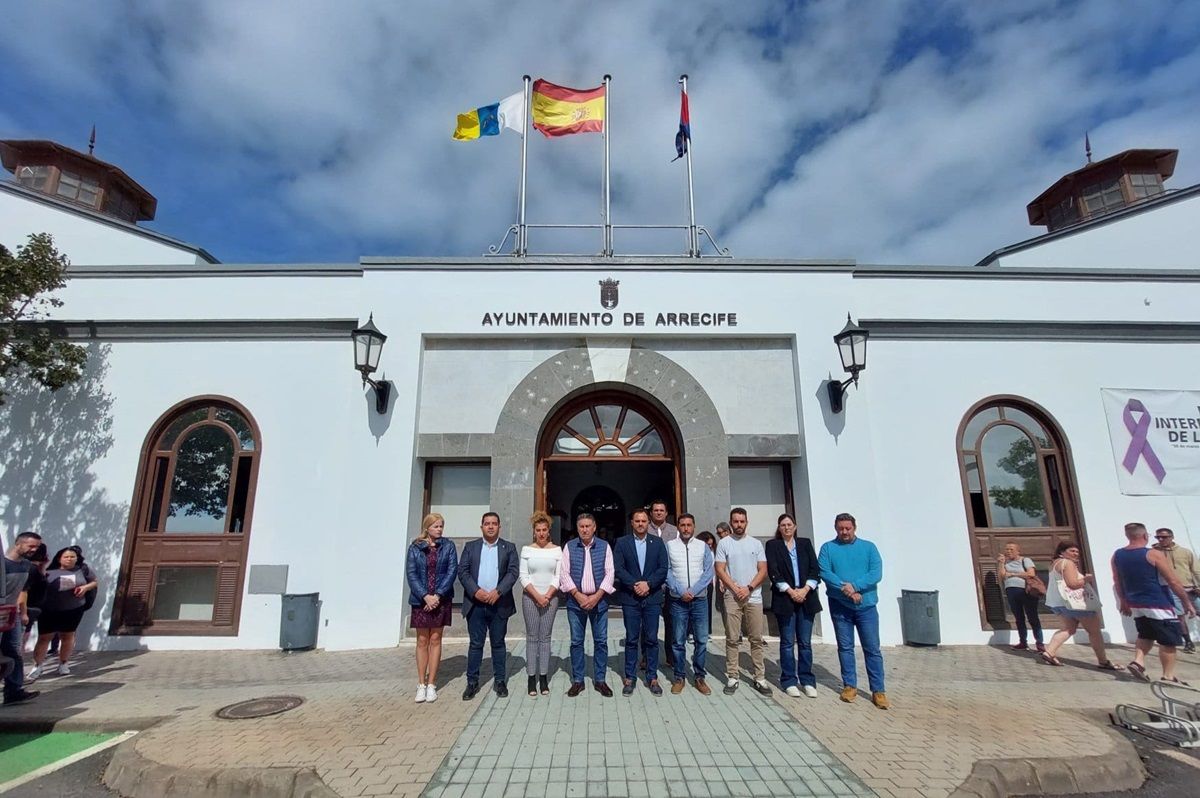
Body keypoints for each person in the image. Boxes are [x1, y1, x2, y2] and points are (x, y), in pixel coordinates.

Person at [818, 513, 888, 709]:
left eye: (848, 528)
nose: (844, 532)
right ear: (835, 528)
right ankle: (850, 685)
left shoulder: (869, 548)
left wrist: (855, 587)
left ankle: (878, 690)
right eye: (841, 528)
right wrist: (846, 589)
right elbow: (824, 572)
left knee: (872, 648)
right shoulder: (828, 548)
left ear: (854, 527)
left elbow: (876, 573)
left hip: (866, 607)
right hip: (840, 606)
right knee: (845, 647)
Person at [1113, 523, 1197, 683]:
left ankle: (1138, 662)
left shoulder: (1117, 555)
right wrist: (1187, 603)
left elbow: (1117, 580)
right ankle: (1168, 676)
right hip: (1158, 602)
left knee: (1146, 634)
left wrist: (1123, 600)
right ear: (1145, 536)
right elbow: (1173, 581)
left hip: (1136, 603)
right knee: (1168, 641)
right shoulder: (1153, 554)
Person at [459, 511, 519, 700]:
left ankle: (500, 681)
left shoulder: (509, 547)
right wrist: (476, 591)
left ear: (499, 526)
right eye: (487, 523)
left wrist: (498, 591)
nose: (491, 526)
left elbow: (512, 572)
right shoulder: (471, 547)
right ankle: (472, 682)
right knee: (476, 644)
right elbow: (463, 572)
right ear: (482, 526)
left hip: (498, 604)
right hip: (475, 604)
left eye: (494, 523)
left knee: (498, 644)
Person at [557, 513, 615, 697]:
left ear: (594, 527)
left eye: (588, 526)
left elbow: (610, 573)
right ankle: (578, 680)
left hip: (599, 602)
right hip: (576, 602)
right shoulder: (569, 547)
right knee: (576, 642)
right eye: (581, 526)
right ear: (577, 527)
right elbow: (564, 574)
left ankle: (600, 680)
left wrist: (596, 596)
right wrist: (577, 595)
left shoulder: (604, 546)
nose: (584, 529)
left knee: (601, 642)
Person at [715, 507, 771, 696]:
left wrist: (748, 588)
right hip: (732, 596)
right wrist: (734, 587)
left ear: (746, 522)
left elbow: (763, 569)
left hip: (753, 596)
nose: (738, 524)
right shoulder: (724, 543)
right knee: (732, 638)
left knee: (756, 638)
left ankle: (759, 677)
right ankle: (733, 676)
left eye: (742, 521)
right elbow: (720, 569)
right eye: (735, 521)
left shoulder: (755, 544)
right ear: (731, 522)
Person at [766, 513, 822, 698]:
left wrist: (805, 589)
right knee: (787, 642)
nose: (787, 528)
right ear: (779, 527)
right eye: (783, 525)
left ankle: (807, 680)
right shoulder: (773, 546)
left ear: (795, 527)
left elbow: (815, 569)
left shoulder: (805, 544)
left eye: (789, 524)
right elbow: (773, 571)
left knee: (805, 643)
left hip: (806, 598)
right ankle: (789, 680)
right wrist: (791, 591)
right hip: (786, 599)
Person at [615, 508, 669, 696]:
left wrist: (649, 584)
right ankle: (630, 677)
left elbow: (663, 568)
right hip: (631, 598)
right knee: (631, 638)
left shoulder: (658, 543)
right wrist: (634, 585)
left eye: (644, 521)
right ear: (632, 523)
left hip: (652, 597)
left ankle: (652, 677)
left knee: (652, 639)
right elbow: (618, 569)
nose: (640, 524)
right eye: (637, 521)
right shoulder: (622, 543)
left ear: (649, 523)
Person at [405, 513, 458, 703]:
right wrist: (425, 596)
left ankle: (432, 684)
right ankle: (421, 683)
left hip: (440, 599)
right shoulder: (415, 548)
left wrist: (437, 596)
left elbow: (452, 571)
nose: (439, 529)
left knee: (435, 639)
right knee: (421, 640)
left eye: (441, 526)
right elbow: (411, 574)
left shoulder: (448, 546)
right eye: (436, 526)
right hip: (421, 600)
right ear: (427, 527)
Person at [1042, 541, 1116, 670]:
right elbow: (1073, 584)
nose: (1076, 554)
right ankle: (1103, 661)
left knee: (1069, 629)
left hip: (1060, 603)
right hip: (1076, 604)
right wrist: (1086, 579)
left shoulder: (1054, 564)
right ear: (1062, 552)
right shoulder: (1068, 564)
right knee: (1094, 632)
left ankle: (1049, 652)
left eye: (1077, 551)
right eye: (1072, 551)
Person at [27, 547, 98, 680]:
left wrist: (85, 588)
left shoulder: (83, 569)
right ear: (59, 558)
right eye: (66, 557)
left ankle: (63, 663)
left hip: (73, 608)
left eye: (73, 557)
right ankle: (38, 666)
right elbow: (38, 584)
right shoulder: (49, 570)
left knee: (67, 636)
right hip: (49, 609)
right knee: (44, 638)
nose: (70, 559)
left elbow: (94, 582)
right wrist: (42, 568)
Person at [666, 513, 714, 694]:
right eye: (682, 525)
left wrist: (693, 592)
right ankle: (679, 676)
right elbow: (667, 571)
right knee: (678, 641)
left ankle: (700, 676)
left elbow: (708, 572)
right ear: (678, 527)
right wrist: (680, 591)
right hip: (678, 600)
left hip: (699, 600)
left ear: (694, 526)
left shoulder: (703, 547)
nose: (686, 528)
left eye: (689, 525)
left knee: (701, 640)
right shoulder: (670, 546)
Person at [519, 510, 563, 697]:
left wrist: (548, 595)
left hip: (550, 598)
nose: (542, 533)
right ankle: (531, 677)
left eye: (544, 529)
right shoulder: (527, 550)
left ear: (549, 530)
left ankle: (543, 676)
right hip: (530, 597)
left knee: (545, 637)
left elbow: (558, 576)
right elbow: (523, 576)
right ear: (534, 531)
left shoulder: (557, 550)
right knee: (532, 636)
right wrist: (537, 595)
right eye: (538, 530)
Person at [2, 532, 41, 705]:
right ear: (18, 544)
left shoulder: (26, 565)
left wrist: (22, 612)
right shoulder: (3, 563)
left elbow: (22, 592)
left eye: (37, 547)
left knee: (14, 651)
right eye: (31, 546)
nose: (34, 549)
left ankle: (14, 690)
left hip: (12, 614)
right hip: (1, 611)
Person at [1153, 527, 1200, 653]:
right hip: (1170, 589)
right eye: (1158, 537)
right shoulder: (1155, 553)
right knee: (1180, 617)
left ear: (1172, 537)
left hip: (1189, 588)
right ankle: (1188, 642)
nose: (1161, 539)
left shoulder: (1185, 552)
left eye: (1164, 537)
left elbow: (1196, 570)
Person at [998, 542, 1044, 652]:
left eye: (1011, 549)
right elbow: (1002, 575)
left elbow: (1031, 574)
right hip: (1011, 591)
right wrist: (1001, 563)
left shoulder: (1025, 560)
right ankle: (1023, 642)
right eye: (1007, 549)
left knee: (1032, 617)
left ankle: (1040, 643)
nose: (1008, 551)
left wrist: (1013, 574)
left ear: (1018, 551)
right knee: (1019, 618)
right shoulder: (1006, 562)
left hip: (1026, 591)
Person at [648, 501, 678, 668]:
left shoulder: (675, 531)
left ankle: (670, 657)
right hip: (650, 585)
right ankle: (646, 657)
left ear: (666, 513)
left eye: (661, 510)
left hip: (669, 585)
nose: (658, 513)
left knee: (671, 623)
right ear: (651, 513)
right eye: (655, 510)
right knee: (647, 625)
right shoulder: (645, 528)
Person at [21, 544, 49, 653]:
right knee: (22, 634)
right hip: (28, 606)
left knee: (25, 632)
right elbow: (23, 591)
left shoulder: (31, 568)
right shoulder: (32, 569)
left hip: (31, 607)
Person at [696, 531, 719, 634]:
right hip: (697, 583)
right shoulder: (697, 550)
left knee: (707, 608)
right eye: (708, 544)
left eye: (711, 544)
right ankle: (693, 632)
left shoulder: (713, 552)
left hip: (709, 583)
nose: (709, 546)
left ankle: (707, 631)